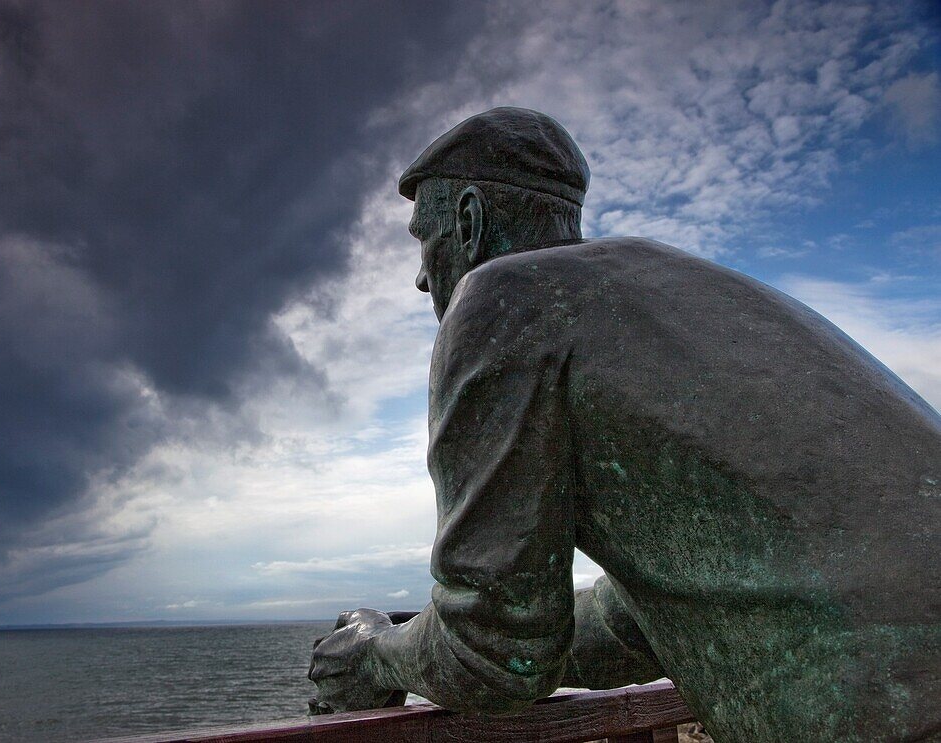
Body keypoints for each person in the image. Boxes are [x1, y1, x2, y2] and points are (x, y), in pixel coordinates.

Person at [308, 107, 940, 743]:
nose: (421, 278)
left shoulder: (500, 301)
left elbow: (494, 659)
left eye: (425, 240)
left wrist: (374, 651)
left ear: (468, 221)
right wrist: (427, 628)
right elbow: (629, 619)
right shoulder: (679, 285)